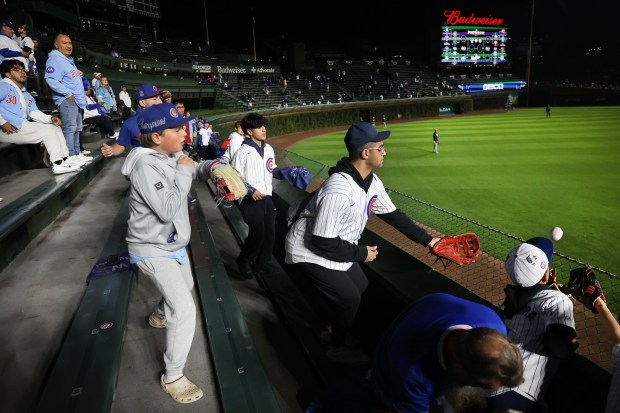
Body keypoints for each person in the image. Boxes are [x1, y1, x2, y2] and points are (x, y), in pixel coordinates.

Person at [284, 122, 440, 366]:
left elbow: (392, 214)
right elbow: (321, 240)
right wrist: (360, 253)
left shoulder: (371, 181)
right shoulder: (339, 188)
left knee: (361, 283)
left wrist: (430, 241)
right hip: (308, 249)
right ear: (365, 153)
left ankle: (331, 327)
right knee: (349, 298)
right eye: (381, 147)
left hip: (334, 244)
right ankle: (336, 347)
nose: (385, 152)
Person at [121, 103, 213, 404]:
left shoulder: (169, 153)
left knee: (184, 288)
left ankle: (159, 315)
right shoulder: (146, 165)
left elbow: (186, 164)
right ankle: (173, 376)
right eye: (176, 129)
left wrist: (208, 167)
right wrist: (187, 172)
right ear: (156, 137)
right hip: (150, 247)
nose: (183, 132)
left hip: (171, 244)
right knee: (185, 309)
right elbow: (168, 209)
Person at [371, 293, 524, 413]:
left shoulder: (493, 324)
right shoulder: (411, 375)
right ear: (459, 367)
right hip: (387, 378)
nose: (484, 389)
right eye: (480, 385)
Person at [486, 237, 577, 413]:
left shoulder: (511, 300)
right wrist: (570, 345)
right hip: (518, 397)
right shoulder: (556, 299)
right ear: (545, 275)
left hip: (486, 387)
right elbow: (559, 348)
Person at [0, 59, 81, 174]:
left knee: (54, 126)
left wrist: (50, 118)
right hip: (7, 130)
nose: (22, 72)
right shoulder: (3, 85)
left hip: (21, 126)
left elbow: (34, 113)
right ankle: (57, 163)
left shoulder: (25, 93)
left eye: (23, 69)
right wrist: (2, 122)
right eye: (17, 70)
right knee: (47, 131)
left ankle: (65, 159)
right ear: (8, 74)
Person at [231, 113, 286, 280]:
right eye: (259, 127)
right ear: (249, 131)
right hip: (250, 199)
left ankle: (261, 265)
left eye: (264, 126)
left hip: (267, 197)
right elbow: (234, 177)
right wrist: (249, 190)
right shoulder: (243, 151)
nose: (264, 129)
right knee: (258, 233)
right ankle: (244, 260)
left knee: (270, 234)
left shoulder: (269, 149)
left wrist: (285, 173)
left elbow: (272, 169)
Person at [45, 33, 92, 164]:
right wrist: (67, 94)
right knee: (70, 128)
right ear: (56, 45)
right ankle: (70, 155)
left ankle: (77, 152)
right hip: (67, 100)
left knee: (77, 128)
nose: (69, 45)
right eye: (64, 43)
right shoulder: (55, 59)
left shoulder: (67, 60)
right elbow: (51, 79)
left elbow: (67, 77)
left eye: (70, 43)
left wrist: (77, 74)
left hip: (76, 100)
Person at [101, 83, 163, 157]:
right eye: (155, 99)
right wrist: (111, 150)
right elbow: (121, 145)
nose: (160, 102)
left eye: (160, 98)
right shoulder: (130, 124)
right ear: (142, 103)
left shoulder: (165, 117)